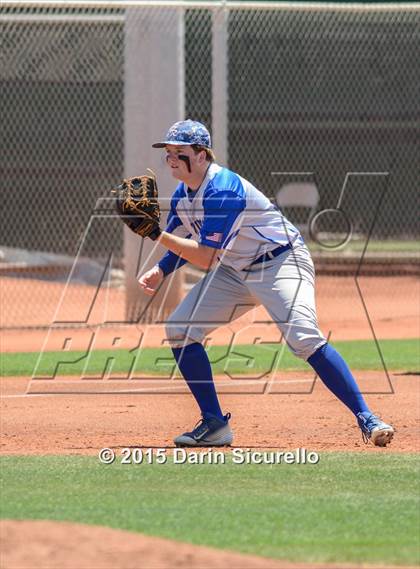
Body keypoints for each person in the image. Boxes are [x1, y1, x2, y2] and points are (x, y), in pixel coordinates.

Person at [138, 119, 394, 448]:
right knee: (180, 329)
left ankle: (367, 417)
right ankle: (215, 425)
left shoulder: (223, 190)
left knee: (303, 338)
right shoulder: (182, 196)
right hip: (235, 268)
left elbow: (203, 256)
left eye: (179, 152)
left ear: (202, 155)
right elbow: (182, 239)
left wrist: (154, 233)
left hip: (281, 262)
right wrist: (161, 269)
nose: (171, 159)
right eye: (168, 153)